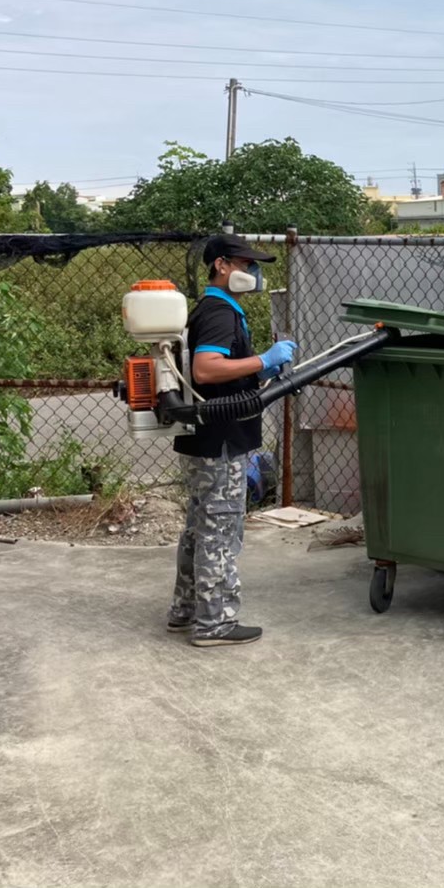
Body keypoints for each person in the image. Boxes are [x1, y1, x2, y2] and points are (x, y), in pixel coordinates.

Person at [167, 235, 296, 647]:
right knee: (220, 531)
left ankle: (186, 610)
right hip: (220, 442)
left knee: (199, 528)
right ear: (221, 265)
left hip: (206, 438)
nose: (253, 273)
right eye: (246, 264)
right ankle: (215, 624)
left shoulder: (213, 309)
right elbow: (206, 369)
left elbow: (221, 372)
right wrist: (264, 359)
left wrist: (259, 372)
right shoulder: (220, 312)